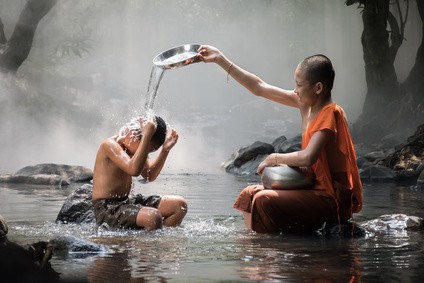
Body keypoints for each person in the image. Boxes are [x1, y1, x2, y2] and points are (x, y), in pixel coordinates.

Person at [198, 45, 363, 234]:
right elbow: (259, 87)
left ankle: (267, 248)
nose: (295, 90)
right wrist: (220, 59)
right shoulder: (305, 103)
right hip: (312, 188)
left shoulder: (331, 113)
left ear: (318, 88)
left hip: (332, 198)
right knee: (249, 195)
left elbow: (308, 157)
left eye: (299, 85)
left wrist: (274, 158)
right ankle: (255, 246)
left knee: (263, 200)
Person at [92, 114, 187, 231]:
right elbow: (134, 170)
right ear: (134, 135)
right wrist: (147, 135)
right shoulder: (109, 145)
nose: (145, 153)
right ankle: (143, 246)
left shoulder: (133, 146)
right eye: (145, 148)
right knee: (152, 217)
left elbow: (149, 175)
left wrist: (165, 151)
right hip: (108, 208)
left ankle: (157, 241)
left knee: (179, 205)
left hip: (126, 202)